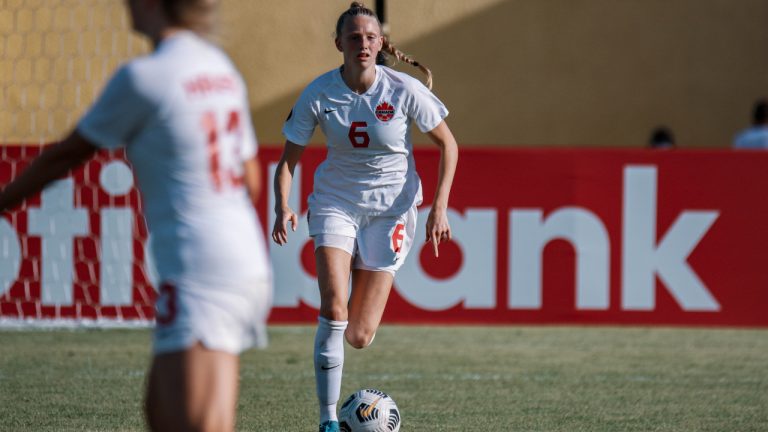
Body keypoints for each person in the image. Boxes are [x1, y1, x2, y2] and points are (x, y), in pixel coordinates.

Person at [0, 0, 272, 430]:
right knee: (161, 413)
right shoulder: (219, 67)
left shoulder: (144, 77)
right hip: (237, 259)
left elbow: (66, 156)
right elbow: (251, 179)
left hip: (200, 271)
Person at [271, 3, 458, 431]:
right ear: (339, 43)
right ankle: (328, 421)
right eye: (354, 37)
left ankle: (356, 263)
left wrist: (439, 208)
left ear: (381, 43)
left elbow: (449, 145)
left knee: (358, 335)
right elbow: (287, 162)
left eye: (370, 37)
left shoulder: (403, 89)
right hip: (337, 202)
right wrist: (283, 205)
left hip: (392, 208)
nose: (363, 44)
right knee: (334, 308)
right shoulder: (318, 93)